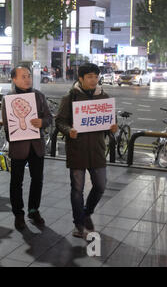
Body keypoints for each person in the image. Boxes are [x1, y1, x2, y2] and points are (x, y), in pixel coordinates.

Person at [55, 63, 118, 238]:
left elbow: (110, 122)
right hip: (77, 150)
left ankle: (86, 212)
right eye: (89, 76)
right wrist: (69, 131)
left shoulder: (104, 98)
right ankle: (79, 223)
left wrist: (113, 128)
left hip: (97, 150)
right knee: (77, 189)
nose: (93, 80)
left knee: (100, 185)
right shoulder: (70, 98)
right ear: (80, 78)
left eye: (96, 76)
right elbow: (60, 121)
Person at [2, 66, 53, 230]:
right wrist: (16, 137)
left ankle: (33, 210)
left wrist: (42, 122)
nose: (27, 79)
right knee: (16, 182)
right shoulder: (9, 99)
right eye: (23, 76)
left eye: (29, 76)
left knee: (37, 179)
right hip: (19, 146)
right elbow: (7, 126)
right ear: (14, 79)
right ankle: (18, 214)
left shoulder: (38, 96)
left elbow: (48, 117)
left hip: (37, 146)